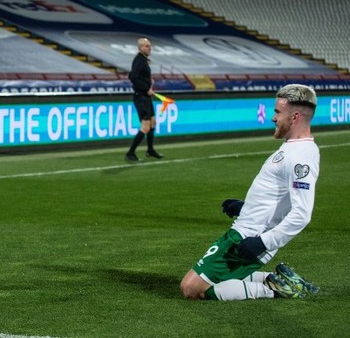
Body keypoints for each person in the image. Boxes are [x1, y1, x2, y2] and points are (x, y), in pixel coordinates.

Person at [180, 84, 321, 300]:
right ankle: (277, 279)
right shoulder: (295, 148)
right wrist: (245, 206)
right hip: (246, 230)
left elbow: (301, 214)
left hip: (249, 237)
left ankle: (276, 289)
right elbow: (278, 198)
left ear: (294, 117)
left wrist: (264, 243)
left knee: (191, 288)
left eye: (277, 112)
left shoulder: (299, 157)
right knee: (204, 281)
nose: (273, 118)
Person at [125, 38, 163, 162]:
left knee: (153, 122)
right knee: (145, 127)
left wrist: (148, 82)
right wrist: (146, 88)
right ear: (140, 48)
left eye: (149, 46)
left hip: (145, 97)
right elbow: (133, 77)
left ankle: (150, 150)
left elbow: (137, 76)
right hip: (141, 97)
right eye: (146, 46)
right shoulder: (139, 60)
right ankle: (130, 153)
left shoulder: (143, 60)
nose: (149, 48)